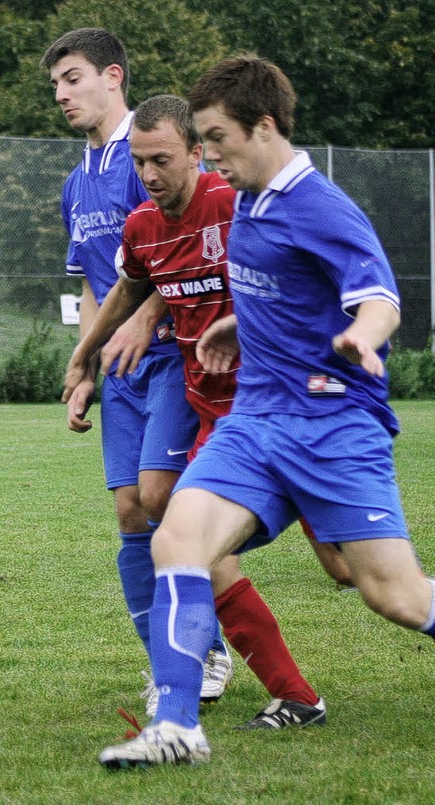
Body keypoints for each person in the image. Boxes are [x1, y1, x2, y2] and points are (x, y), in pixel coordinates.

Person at [98, 55, 435, 769]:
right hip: (254, 423)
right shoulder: (249, 197)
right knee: (178, 539)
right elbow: (273, 287)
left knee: (391, 593)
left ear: (265, 126)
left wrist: (359, 337)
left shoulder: (320, 206)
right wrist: (235, 327)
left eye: (217, 137)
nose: (210, 152)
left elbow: (380, 299)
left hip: (333, 425)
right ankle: (179, 727)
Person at [64, 93, 325, 726]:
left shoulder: (239, 207)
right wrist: (87, 357)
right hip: (216, 418)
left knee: (359, 575)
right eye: (139, 162)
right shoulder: (141, 227)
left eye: (161, 160)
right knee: (172, 519)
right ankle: (291, 695)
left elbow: (301, 282)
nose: (149, 176)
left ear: (196, 152)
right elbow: (138, 281)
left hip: (285, 410)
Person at [41, 28, 233, 706]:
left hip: (176, 360)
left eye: (71, 78)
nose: (61, 94)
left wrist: (148, 317)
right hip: (119, 373)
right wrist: (87, 364)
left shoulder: (147, 153)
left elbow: (174, 259)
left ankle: (204, 649)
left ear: (112, 76)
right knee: (129, 511)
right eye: (56, 84)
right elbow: (101, 284)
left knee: (166, 503)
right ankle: (166, 658)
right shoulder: (75, 182)